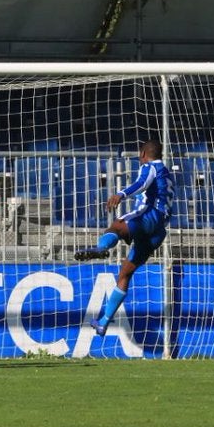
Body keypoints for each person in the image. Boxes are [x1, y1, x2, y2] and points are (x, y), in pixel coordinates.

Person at [73, 140, 174, 337]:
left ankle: (100, 248)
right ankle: (103, 322)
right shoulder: (167, 173)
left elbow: (142, 182)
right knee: (125, 274)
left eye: (139, 154)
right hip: (159, 230)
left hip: (149, 216)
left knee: (117, 226)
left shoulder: (150, 167)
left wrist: (121, 194)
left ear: (144, 153)